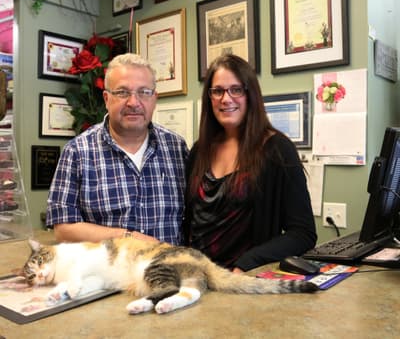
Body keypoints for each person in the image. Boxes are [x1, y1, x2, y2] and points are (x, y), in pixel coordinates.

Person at [184, 54, 317, 272]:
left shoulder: (277, 149)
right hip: (195, 279)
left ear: (250, 94)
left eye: (236, 89)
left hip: (243, 282)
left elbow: (303, 234)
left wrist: (246, 264)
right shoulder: (200, 150)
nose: (226, 99)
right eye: (217, 91)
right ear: (209, 98)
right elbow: (188, 223)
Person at [46, 53, 188, 245]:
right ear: (106, 98)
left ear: (154, 98)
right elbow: (63, 229)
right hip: (106, 274)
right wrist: (128, 237)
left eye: (144, 92)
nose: (133, 102)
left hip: (169, 272)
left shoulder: (176, 148)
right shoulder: (77, 152)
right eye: (122, 92)